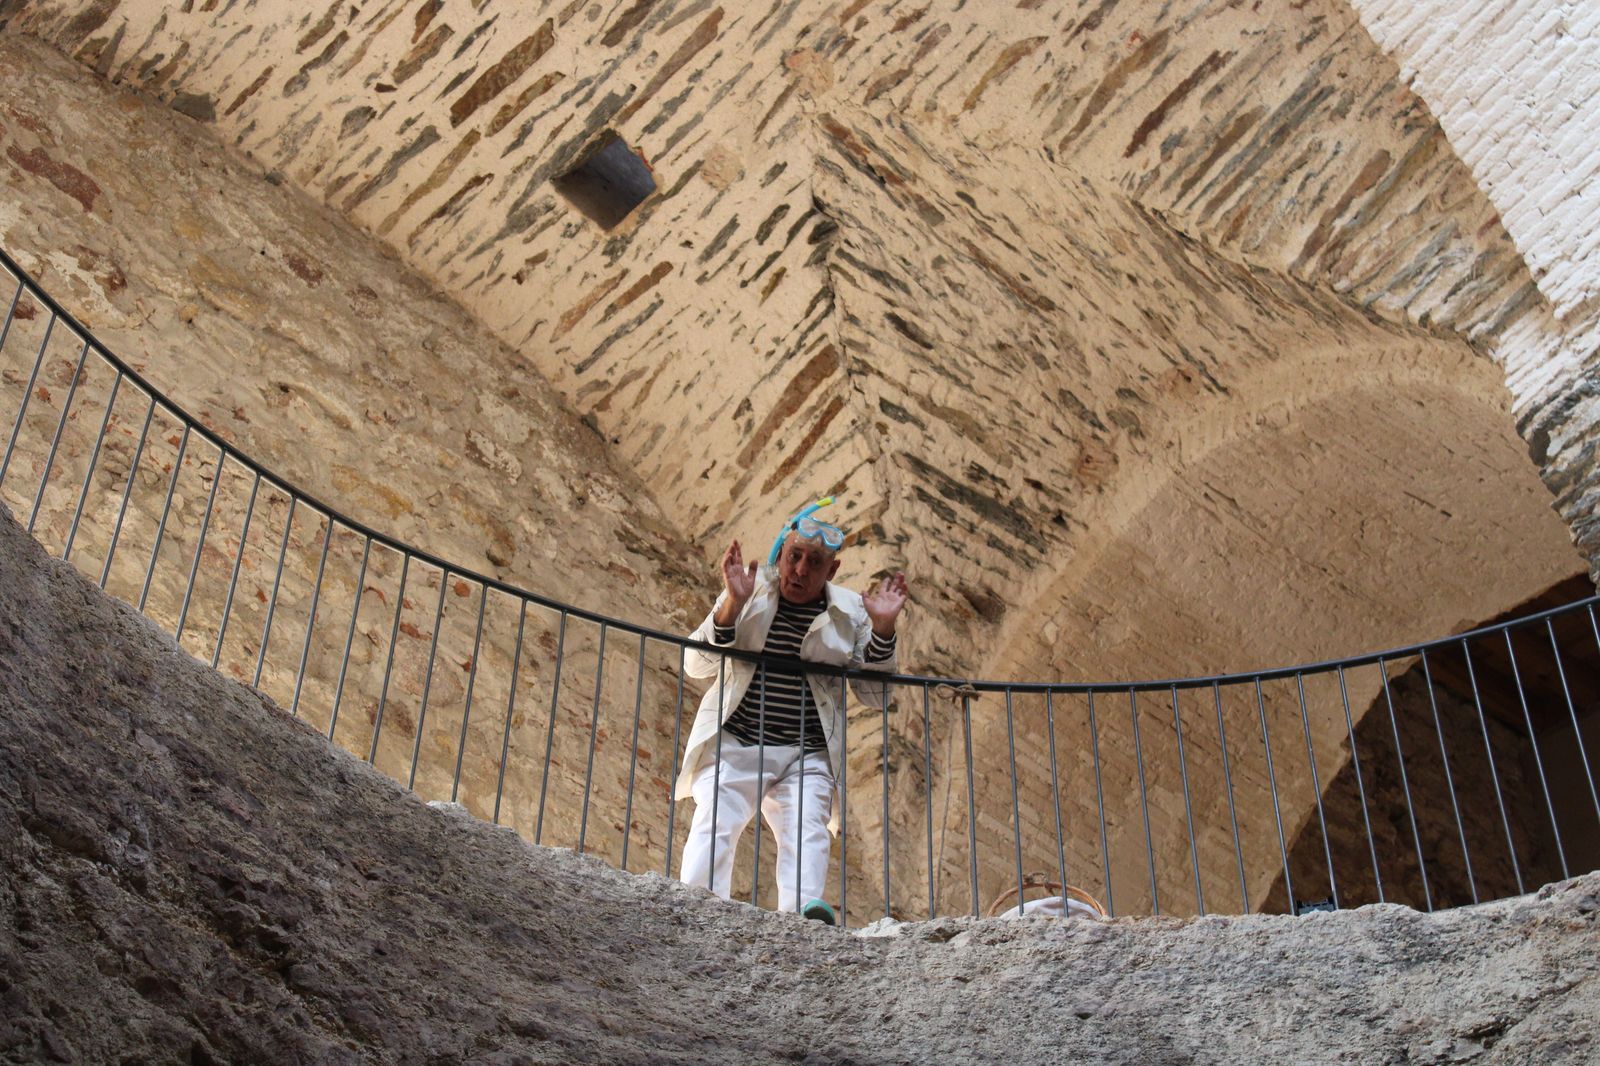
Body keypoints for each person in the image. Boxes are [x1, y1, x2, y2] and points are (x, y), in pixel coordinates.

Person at [675, 498, 909, 923]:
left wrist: (884, 629)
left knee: (808, 827)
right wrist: (730, 605)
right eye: (794, 556)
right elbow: (695, 665)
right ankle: (698, 909)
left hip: (806, 751)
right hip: (738, 739)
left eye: (815, 562)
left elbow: (874, 695)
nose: (800, 570)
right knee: (717, 818)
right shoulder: (749, 590)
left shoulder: (850, 612)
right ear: (780, 555)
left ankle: (802, 920)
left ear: (832, 572)